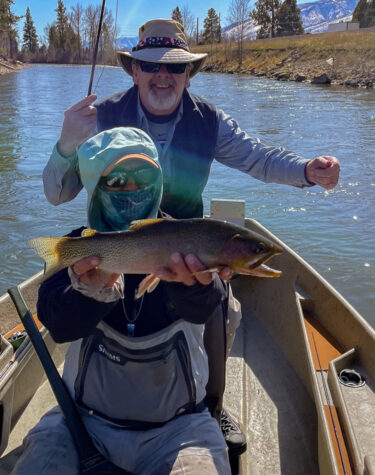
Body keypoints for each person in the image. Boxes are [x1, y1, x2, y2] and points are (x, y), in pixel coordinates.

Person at [42, 18, 340, 452]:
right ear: (134, 70)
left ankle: (211, 409)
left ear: (188, 74)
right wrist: (67, 144)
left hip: (192, 249)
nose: (163, 75)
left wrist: (306, 172)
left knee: (221, 308)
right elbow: (57, 194)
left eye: (175, 68)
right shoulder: (99, 116)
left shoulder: (209, 121)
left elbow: (257, 157)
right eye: (151, 65)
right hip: (116, 240)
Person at [0, 127, 232, 475]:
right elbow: (57, 325)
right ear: (95, 188)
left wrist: (193, 285)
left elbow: (210, 307)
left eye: (144, 178)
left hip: (180, 430)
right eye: (117, 181)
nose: (131, 190)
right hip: (81, 423)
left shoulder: (186, 241)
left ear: (159, 180)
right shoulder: (77, 248)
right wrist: (87, 288)